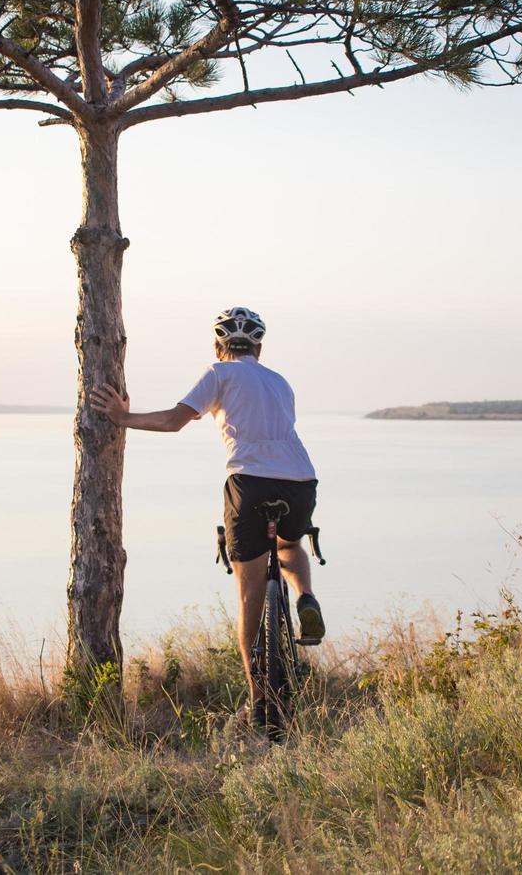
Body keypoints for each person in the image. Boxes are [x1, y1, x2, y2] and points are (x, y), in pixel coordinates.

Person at [90, 306, 324, 729]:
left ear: (220, 346)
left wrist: (121, 417)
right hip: (301, 481)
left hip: (249, 482)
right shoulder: (281, 383)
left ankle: (258, 704)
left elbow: (174, 421)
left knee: (249, 592)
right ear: (259, 347)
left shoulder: (219, 373)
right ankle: (306, 596)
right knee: (291, 543)